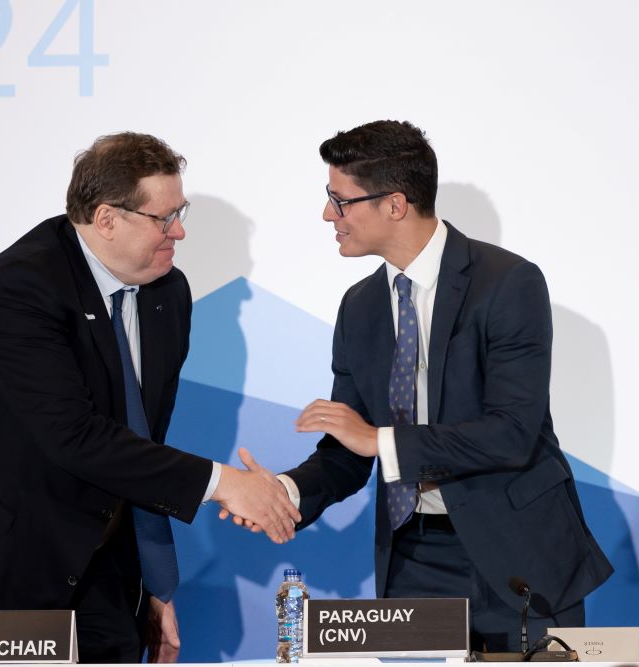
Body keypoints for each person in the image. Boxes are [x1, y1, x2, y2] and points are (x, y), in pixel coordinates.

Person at [0, 132, 299, 663]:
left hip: (99, 566)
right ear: (106, 219)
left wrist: (154, 582)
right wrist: (224, 484)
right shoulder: (23, 284)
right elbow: (74, 437)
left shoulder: (167, 293)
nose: (180, 231)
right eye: (164, 218)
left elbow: (140, 438)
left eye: (180, 212)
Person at [232, 120, 613, 652]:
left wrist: (379, 440)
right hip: (414, 557)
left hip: (518, 556)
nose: (327, 215)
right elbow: (348, 451)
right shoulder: (360, 307)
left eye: (339, 201)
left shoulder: (508, 284)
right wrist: (287, 492)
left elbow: (511, 433)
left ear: (394, 204)